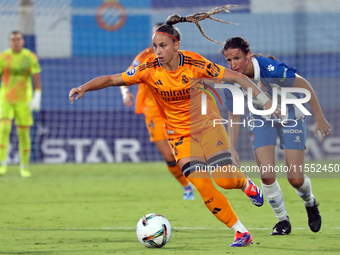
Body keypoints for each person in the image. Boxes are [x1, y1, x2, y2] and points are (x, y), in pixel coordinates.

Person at [69, 6, 281, 247]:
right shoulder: (148, 68)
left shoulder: (194, 63)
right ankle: (241, 231)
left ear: (176, 46)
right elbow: (112, 79)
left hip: (208, 127)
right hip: (180, 135)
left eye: (163, 46)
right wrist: (84, 87)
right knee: (202, 185)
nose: (157, 51)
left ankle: (244, 183)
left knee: (225, 181)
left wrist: (266, 102)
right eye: (155, 46)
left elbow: (239, 78)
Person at [222, 36, 331, 235]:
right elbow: (234, 114)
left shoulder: (269, 68)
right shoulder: (231, 79)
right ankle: (282, 221)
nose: (233, 64)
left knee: (295, 179)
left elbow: (304, 85)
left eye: (237, 58)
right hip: (260, 117)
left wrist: (320, 118)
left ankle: (310, 203)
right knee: (267, 174)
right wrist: (231, 147)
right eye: (228, 60)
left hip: (290, 114)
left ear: (248, 55)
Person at [120, 23, 195, 200]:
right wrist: (125, 93)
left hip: (177, 108)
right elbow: (125, 76)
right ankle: (187, 186)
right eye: (155, 37)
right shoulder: (145, 57)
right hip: (153, 110)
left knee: (190, 151)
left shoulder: (182, 58)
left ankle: (208, 180)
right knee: (169, 155)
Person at [0, 31, 42, 177]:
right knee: (3, 129)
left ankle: (24, 167)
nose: (15, 42)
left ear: (22, 41)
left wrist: (37, 95)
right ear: (9, 42)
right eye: (12, 39)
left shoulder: (30, 57)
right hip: (6, 98)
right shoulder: (3, 57)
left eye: (18, 39)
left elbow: (36, 77)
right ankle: (2, 164)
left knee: (23, 134)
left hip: (24, 100)